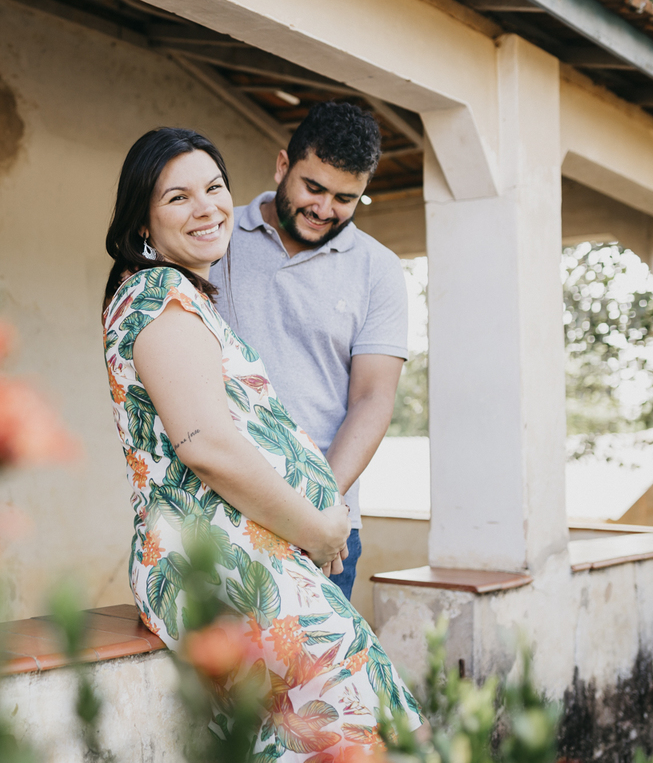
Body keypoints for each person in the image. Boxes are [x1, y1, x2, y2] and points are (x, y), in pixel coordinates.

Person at [102, 127, 421, 758]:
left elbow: (372, 398)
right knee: (373, 736)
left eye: (215, 188)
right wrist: (322, 528)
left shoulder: (185, 297)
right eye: (177, 198)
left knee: (346, 735)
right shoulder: (161, 297)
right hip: (228, 558)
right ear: (144, 219)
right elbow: (205, 445)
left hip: (262, 553)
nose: (207, 208)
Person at [211, 102, 408, 601]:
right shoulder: (214, 236)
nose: (324, 209)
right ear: (282, 166)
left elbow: (372, 399)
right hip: (215, 511)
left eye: (346, 198)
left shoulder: (378, 270)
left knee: (314, 682)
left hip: (325, 525)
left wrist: (317, 507)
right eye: (313, 188)